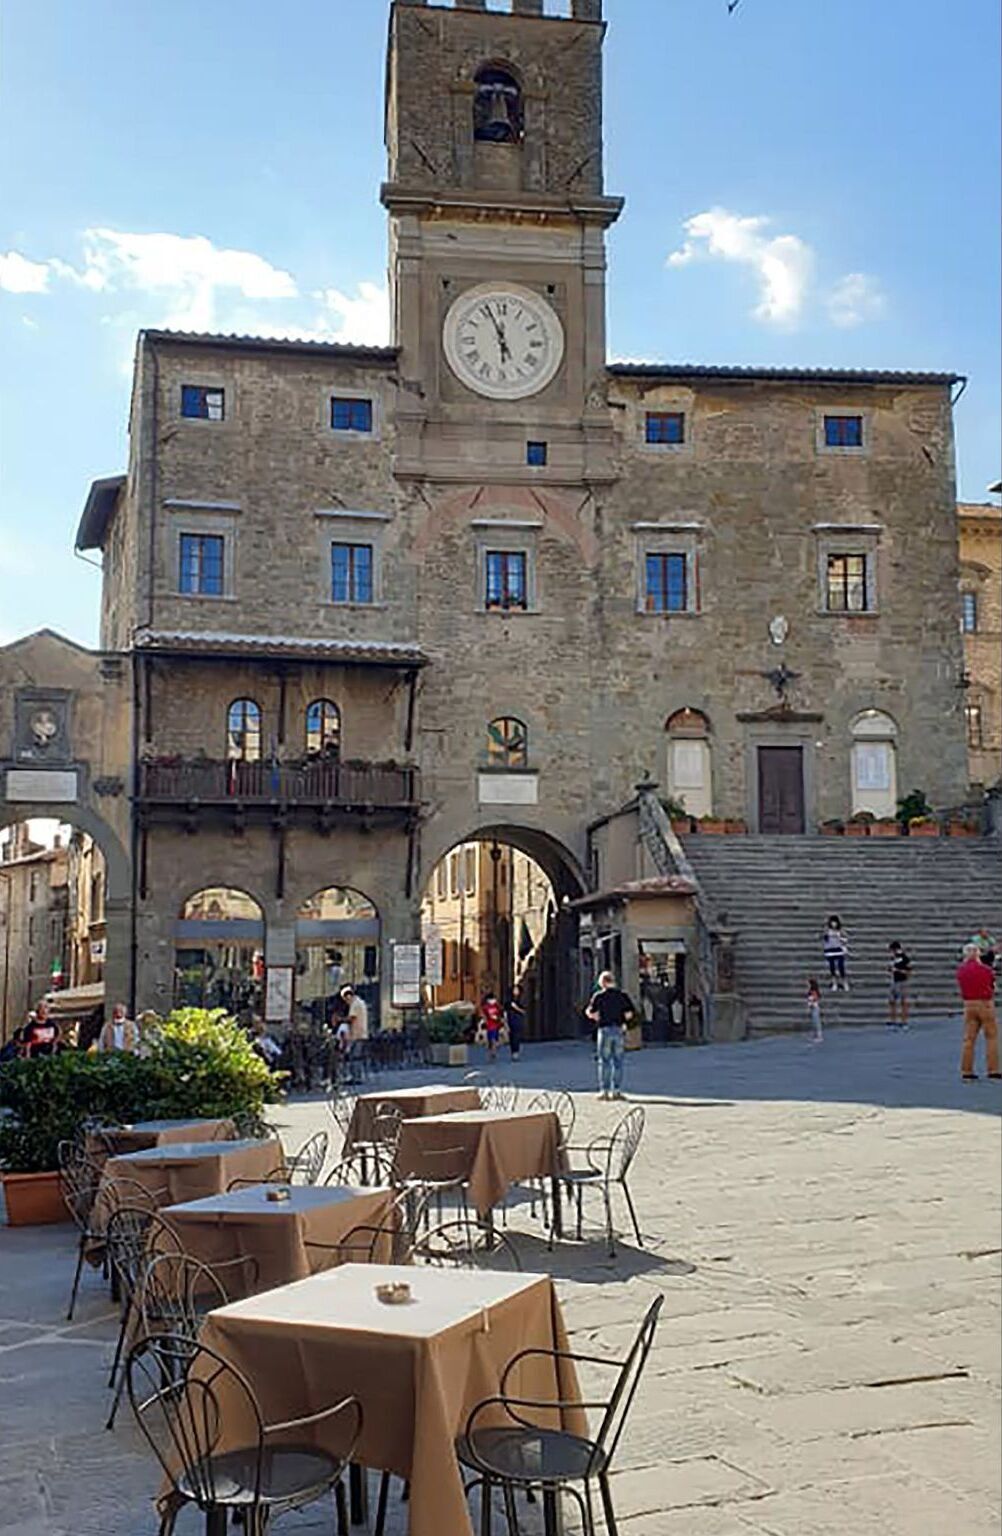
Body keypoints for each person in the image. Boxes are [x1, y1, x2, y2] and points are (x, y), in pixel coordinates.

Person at [586, 970, 636, 1100]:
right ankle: (617, 1090)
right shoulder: (622, 996)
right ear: (613, 981)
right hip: (618, 1029)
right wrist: (623, 1021)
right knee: (618, 1061)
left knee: (604, 1061)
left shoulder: (598, 996)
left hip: (604, 1030)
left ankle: (604, 1091)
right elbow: (629, 1014)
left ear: (602, 983)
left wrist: (595, 1016)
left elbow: (592, 1013)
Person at [956, 942, 1000, 1081]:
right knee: (991, 1037)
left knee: (968, 1039)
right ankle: (993, 1069)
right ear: (977, 954)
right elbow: (992, 986)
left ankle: (966, 1070)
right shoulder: (986, 970)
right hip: (985, 1003)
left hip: (968, 1004)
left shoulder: (961, 971)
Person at [887, 942, 912, 1029]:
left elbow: (908, 972)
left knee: (903, 1002)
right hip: (894, 981)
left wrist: (897, 970)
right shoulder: (894, 958)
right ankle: (893, 1020)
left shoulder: (905, 958)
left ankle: (904, 1022)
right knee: (892, 1002)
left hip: (902, 982)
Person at [823, 916, 850, 992]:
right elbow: (824, 939)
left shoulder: (841, 931)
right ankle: (834, 982)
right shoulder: (827, 931)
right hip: (830, 950)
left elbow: (845, 939)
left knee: (841, 966)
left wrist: (839, 938)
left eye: (835, 922)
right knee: (832, 967)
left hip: (839, 949)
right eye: (832, 922)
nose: (833, 924)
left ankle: (844, 982)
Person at [505, 984, 526, 1062]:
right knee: (512, 1035)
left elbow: (523, 1010)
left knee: (517, 1035)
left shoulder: (522, 999)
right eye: (514, 990)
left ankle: (516, 1052)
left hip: (518, 1018)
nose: (515, 991)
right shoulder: (509, 999)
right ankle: (513, 1052)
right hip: (511, 1018)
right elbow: (506, 1009)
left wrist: (516, 1008)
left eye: (517, 990)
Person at [481, 991, 503, 1063]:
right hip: (489, 1026)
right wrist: (485, 1021)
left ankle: (493, 1052)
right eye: (491, 999)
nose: (493, 1001)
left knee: (495, 1040)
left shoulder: (497, 1006)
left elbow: (500, 1014)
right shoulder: (486, 1007)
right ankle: (492, 1053)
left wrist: (498, 1018)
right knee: (491, 1040)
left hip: (496, 1025)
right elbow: (483, 1015)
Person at [805, 977, 823, 1043]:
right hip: (812, 1008)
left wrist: (811, 1002)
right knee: (813, 1021)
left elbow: (816, 998)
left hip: (815, 1008)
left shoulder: (813, 991)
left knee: (816, 1021)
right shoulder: (810, 990)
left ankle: (819, 1036)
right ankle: (815, 1035)